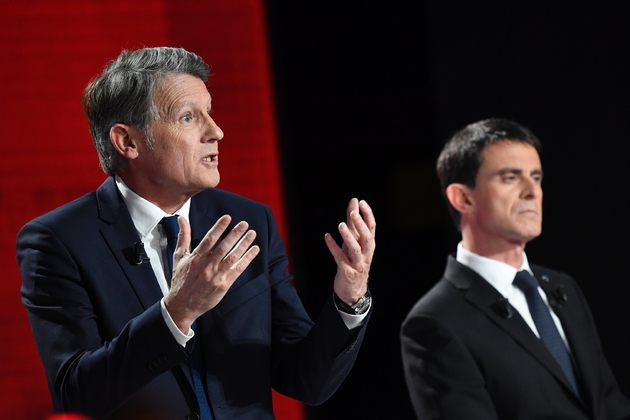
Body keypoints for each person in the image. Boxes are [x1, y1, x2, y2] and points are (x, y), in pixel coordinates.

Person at [17, 47, 376, 420]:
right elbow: (77, 394)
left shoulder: (248, 221)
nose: (216, 131)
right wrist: (176, 313)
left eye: (209, 112)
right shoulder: (58, 241)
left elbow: (306, 381)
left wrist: (349, 299)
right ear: (128, 142)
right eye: (188, 117)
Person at [400, 118, 630, 419]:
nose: (532, 191)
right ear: (462, 197)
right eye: (510, 177)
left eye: (536, 177)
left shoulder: (563, 288)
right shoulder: (435, 321)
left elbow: (609, 405)